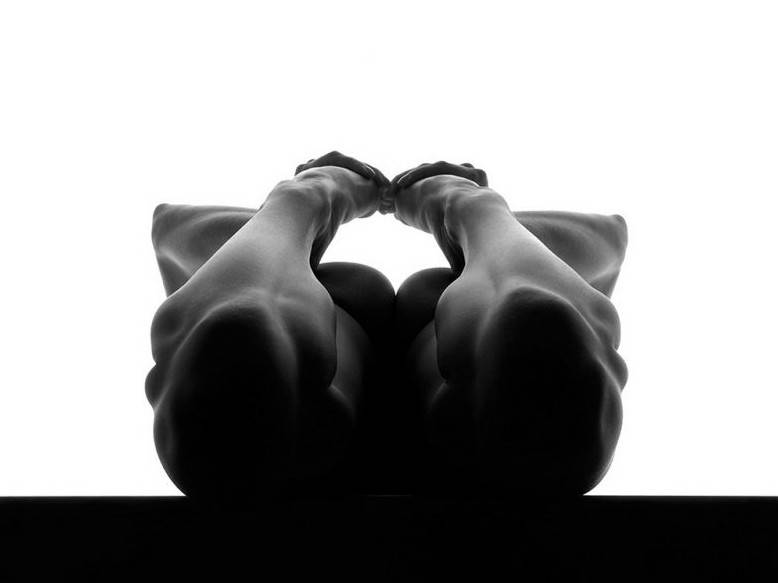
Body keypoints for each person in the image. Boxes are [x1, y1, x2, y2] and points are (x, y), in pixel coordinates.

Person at [146, 152, 628, 501]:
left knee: (236, 341)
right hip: (460, 395)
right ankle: (464, 206)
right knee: (539, 328)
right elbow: (607, 240)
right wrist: (468, 205)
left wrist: (307, 199)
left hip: (309, 398)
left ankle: (308, 198)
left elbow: (173, 229)